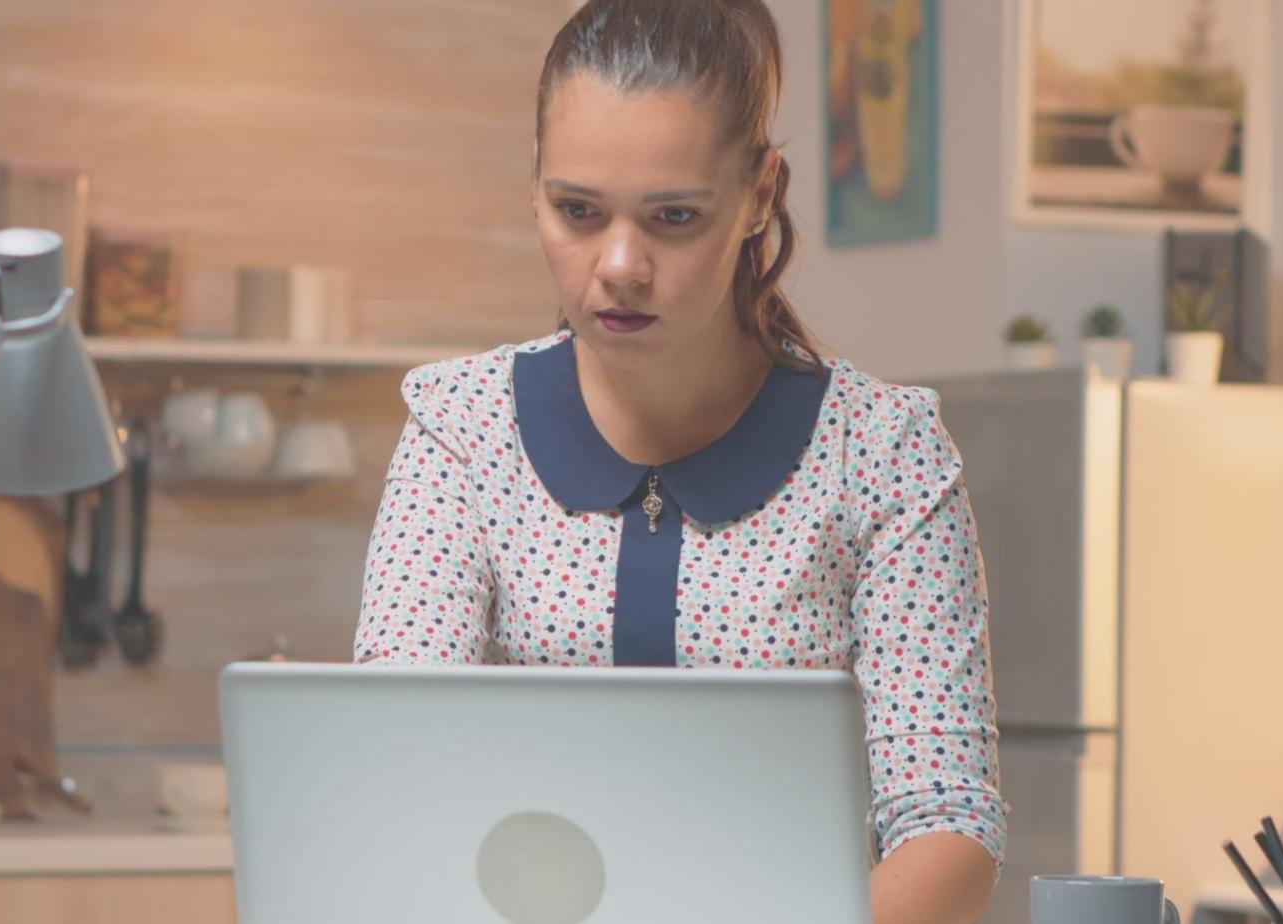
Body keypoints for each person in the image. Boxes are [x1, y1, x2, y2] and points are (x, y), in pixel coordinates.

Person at [353, 1, 1004, 921]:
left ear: (760, 194)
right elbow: (397, 762)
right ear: (534, 186)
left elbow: (948, 825)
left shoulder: (882, 452)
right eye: (578, 210)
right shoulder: (461, 429)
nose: (620, 263)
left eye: (673, 217)